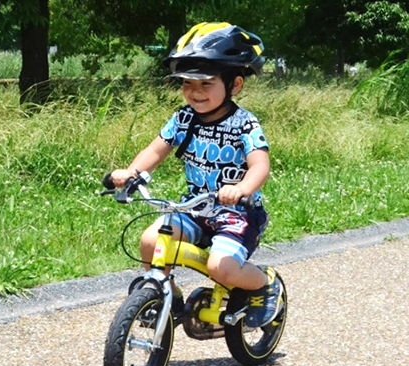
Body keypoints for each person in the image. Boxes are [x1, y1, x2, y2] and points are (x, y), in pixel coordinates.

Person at [110, 22, 282, 328]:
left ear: (235, 85)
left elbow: (260, 165)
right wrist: (131, 173)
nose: (194, 92)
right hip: (194, 208)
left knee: (221, 268)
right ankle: (166, 294)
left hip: (236, 214)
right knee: (150, 241)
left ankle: (264, 285)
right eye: (187, 83)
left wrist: (241, 188)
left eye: (206, 84)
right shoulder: (184, 118)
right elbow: (156, 150)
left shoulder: (244, 123)